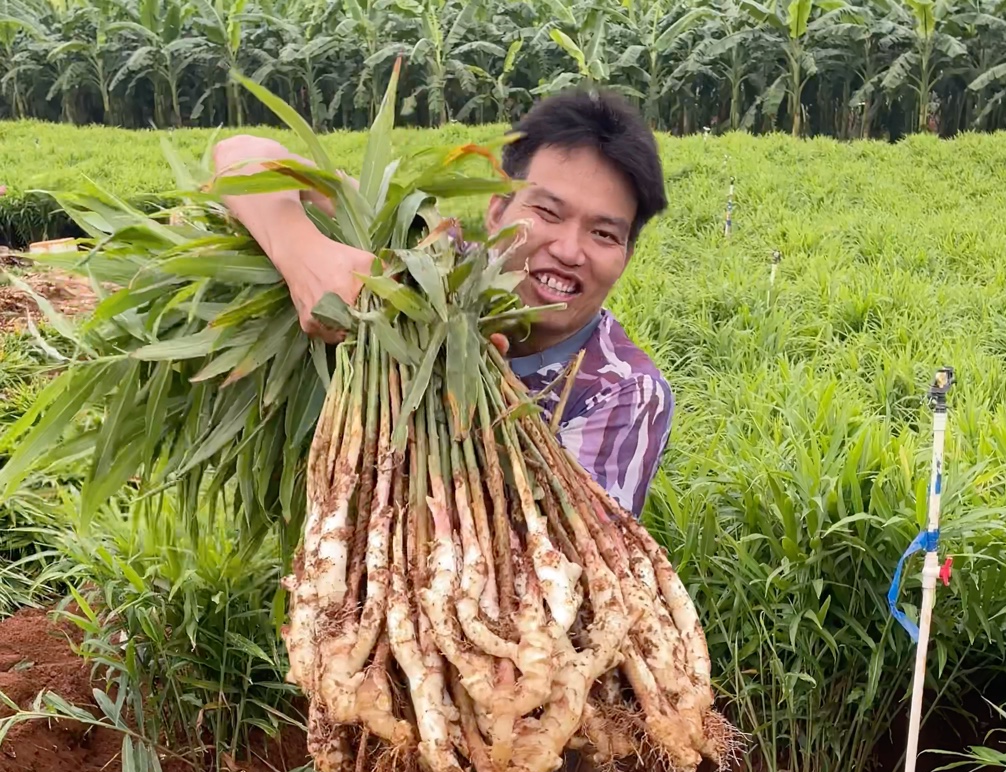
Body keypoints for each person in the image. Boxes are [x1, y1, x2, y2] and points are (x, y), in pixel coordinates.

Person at [212, 88, 673, 518]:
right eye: (548, 212)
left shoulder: (623, 391)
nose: (570, 251)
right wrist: (303, 255)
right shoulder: (430, 263)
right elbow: (241, 156)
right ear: (497, 210)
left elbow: (567, 557)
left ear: (626, 255)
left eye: (603, 234)